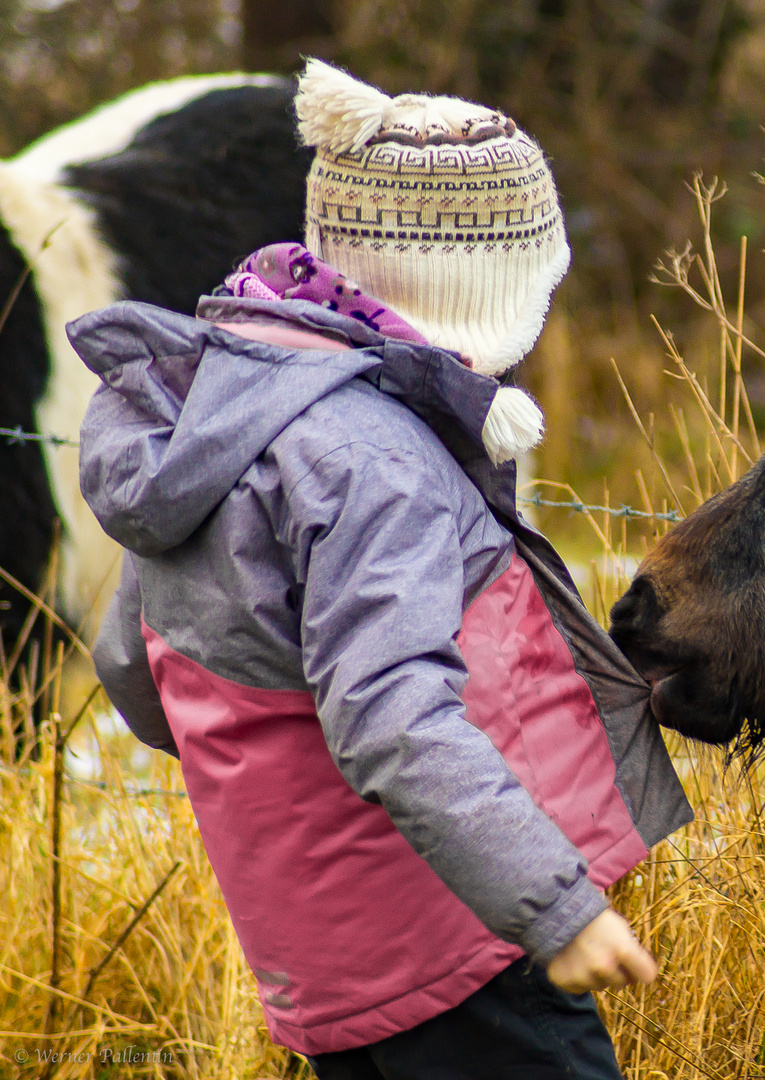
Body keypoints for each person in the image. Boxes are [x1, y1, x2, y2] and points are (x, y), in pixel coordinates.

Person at [71, 59, 691, 1080]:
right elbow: (391, 718)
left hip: (328, 960)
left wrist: (272, 776)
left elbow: (132, 664)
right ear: (484, 293)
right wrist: (555, 908)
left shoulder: (226, 413)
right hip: (458, 936)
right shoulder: (376, 462)